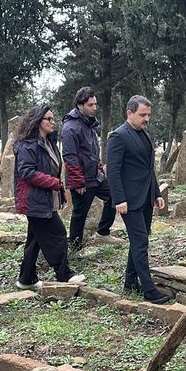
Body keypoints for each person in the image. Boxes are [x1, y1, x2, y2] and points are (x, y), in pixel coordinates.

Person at [13, 104, 85, 289]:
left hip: (45, 197)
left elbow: (53, 170)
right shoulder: (27, 145)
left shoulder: (49, 142)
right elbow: (27, 172)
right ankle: (64, 275)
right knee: (58, 233)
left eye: (53, 119)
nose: (53, 122)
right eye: (49, 119)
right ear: (38, 121)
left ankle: (26, 279)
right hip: (34, 200)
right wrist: (54, 183)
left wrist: (58, 192)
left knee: (35, 239)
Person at [106, 95, 170, 304]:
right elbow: (113, 171)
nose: (146, 119)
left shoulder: (144, 135)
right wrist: (119, 199)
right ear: (129, 113)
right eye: (142, 115)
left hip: (146, 197)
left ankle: (130, 282)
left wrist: (156, 193)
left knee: (139, 240)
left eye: (148, 115)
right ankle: (149, 289)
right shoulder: (118, 136)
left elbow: (148, 168)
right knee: (141, 241)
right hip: (129, 200)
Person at [62, 86, 122, 250]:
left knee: (114, 196)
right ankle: (75, 247)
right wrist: (77, 182)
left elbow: (91, 151)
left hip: (96, 176)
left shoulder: (88, 123)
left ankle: (103, 233)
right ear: (80, 105)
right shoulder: (70, 127)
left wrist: (100, 169)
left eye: (95, 104)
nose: (95, 107)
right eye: (90, 105)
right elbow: (69, 156)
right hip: (82, 180)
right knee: (80, 214)